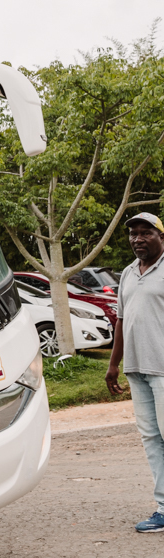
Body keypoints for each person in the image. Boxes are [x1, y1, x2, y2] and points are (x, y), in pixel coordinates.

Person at [106, 212, 164, 532]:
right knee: (152, 439)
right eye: (133, 234)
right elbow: (121, 320)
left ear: (161, 237)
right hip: (137, 370)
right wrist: (114, 365)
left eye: (146, 233)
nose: (137, 238)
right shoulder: (128, 273)